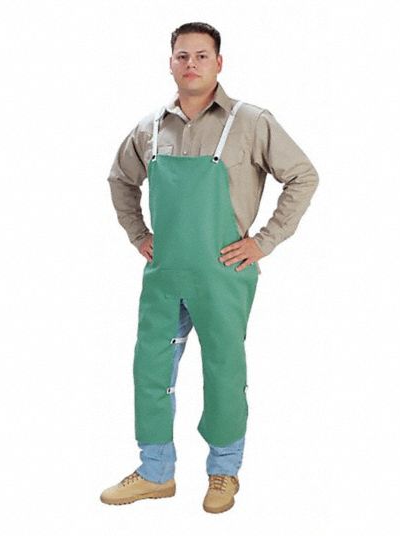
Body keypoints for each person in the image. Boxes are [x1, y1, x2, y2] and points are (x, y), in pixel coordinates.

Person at [100, 22, 319, 513]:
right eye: (182, 55)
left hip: (224, 274)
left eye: (202, 55)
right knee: (149, 371)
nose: (191, 63)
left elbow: (303, 176)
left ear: (219, 63)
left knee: (224, 370)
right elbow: (120, 179)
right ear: (170, 63)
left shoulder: (251, 121)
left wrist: (263, 241)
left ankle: (224, 472)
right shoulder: (150, 128)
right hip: (164, 276)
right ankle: (155, 472)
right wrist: (138, 234)